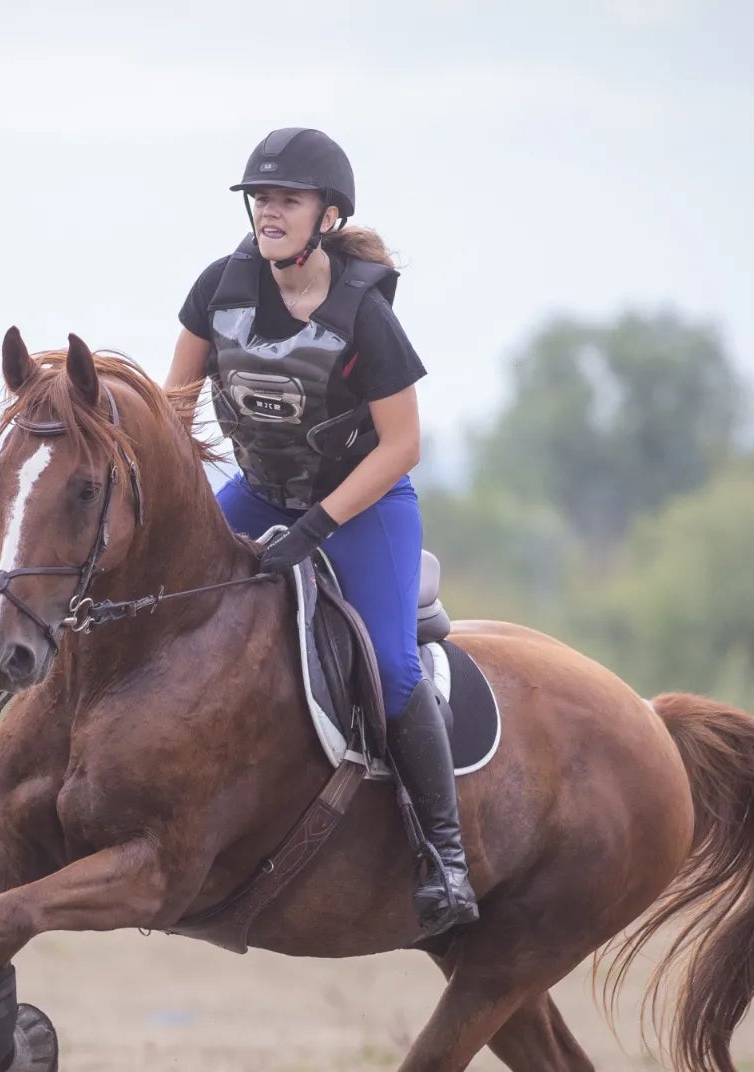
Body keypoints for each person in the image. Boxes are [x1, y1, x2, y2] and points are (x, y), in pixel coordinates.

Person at [164, 126, 478, 933]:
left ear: (327, 217)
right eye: (260, 199)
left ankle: (445, 855)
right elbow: (176, 404)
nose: (268, 211)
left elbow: (404, 444)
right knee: (166, 594)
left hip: (364, 505)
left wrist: (317, 526)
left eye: (286, 200)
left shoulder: (366, 318)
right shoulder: (217, 289)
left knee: (393, 665)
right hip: (260, 492)